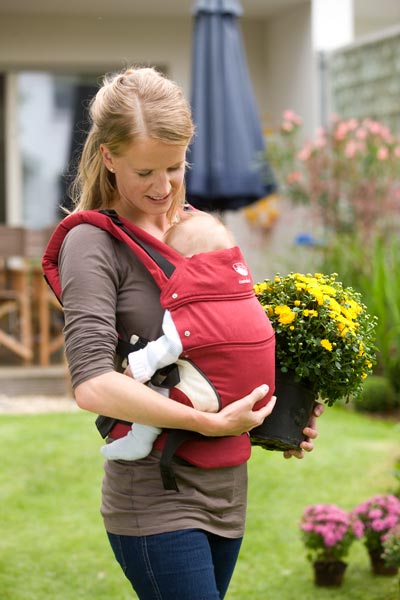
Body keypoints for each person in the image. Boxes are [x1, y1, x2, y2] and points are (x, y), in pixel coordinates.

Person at [45, 66, 324, 600]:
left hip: (228, 490)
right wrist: (207, 422)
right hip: (155, 496)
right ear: (109, 157)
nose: (163, 187)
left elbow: (228, 341)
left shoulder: (199, 229)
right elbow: (93, 384)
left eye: (174, 167)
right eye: (145, 171)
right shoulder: (94, 244)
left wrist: (280, 411)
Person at [101, 211, 275, 462]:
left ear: (189, 262)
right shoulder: (242, 295)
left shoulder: (193, 303)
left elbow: (173, 343)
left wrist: (140, 365)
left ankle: (140, 440)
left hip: (214, 394)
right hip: (258, 391)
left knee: (156, 392)